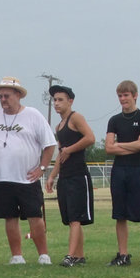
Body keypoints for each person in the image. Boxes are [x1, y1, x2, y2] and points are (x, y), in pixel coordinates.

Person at [0, 76, 56, 265]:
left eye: (6, 96)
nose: (3, 100)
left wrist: (42, 168)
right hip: (2, 178)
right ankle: (17, 256)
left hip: (27, 179)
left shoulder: (33, 115)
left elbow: (50, 144)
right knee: (10, 218)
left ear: (18, 95)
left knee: (35, 217)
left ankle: (43, 255)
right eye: (0, 97)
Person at [105, 80, 140, 267]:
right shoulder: (114, 121)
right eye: (120, 95)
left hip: (138, 170)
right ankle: (123, 254)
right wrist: (129, 146)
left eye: (126, 95)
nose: (123, 99)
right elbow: (108, 148)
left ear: (135, 95)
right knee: (120, 215)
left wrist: (120, 145)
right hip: (119, 171)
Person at [44, 85, 96, 266]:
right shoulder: (59, 126)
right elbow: (61, 153)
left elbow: (90, 137)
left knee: (75, 218)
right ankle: (79, 256)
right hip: (65, 177)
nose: (57, 103)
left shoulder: (76, 118)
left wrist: (70, 149)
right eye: (55, 100)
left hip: (78, 175)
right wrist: (52, 176)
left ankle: (70, 255)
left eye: (60, 100)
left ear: (70, 101)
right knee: (70, 219)